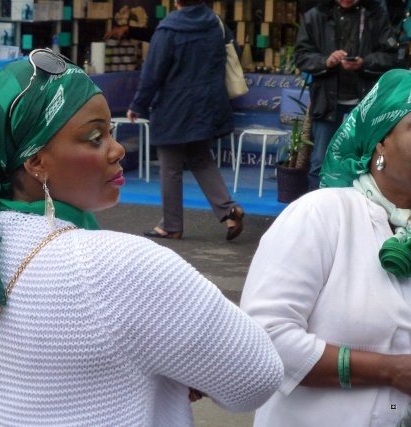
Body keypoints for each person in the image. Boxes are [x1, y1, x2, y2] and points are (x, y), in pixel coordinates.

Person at [0, 50, 284, 426]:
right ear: (35, 161)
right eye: (94, 137)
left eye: (111, 133)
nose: (117, 151)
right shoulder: (117, 267)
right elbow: (256, 378)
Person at [240, 68, 411, 426]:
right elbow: (264, 337)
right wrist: (388, 371)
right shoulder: (322, 214)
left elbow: (398, 403)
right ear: (379, 141)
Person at [126, 0, 244, 241]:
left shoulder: (169, 28)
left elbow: (153, 71)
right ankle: (228, 209)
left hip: (174, 106)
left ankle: (171, 225)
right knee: (201, 158)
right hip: (207, 104)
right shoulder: (215, 23)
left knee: (170, 167)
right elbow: (234, 53)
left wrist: (138, 104)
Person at [294, 0, 399, 191]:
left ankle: (359, 214)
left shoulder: (375, 14)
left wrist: (364, 63)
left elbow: (392, 57)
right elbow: (301, 56)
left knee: (366, 164)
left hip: (365, 103)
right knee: (320, 163)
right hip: (327, 102)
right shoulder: (316, 15)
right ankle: (317, 215)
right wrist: (326, 61)